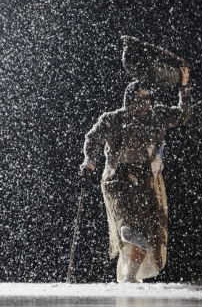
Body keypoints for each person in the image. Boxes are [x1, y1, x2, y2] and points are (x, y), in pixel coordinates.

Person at [79, 67, 192, 283]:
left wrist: (184, 87)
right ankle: (126, 238)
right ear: (129, 101)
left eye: (148, 99)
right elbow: (92, 138)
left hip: (146, 180)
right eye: (139, 100)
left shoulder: (157, 116)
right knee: (131, 226)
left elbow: (183, 114)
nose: (144, 104)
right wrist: (90, 161)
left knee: (147, 232)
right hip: (118, 178)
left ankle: (130, 276)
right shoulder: (113, 120)